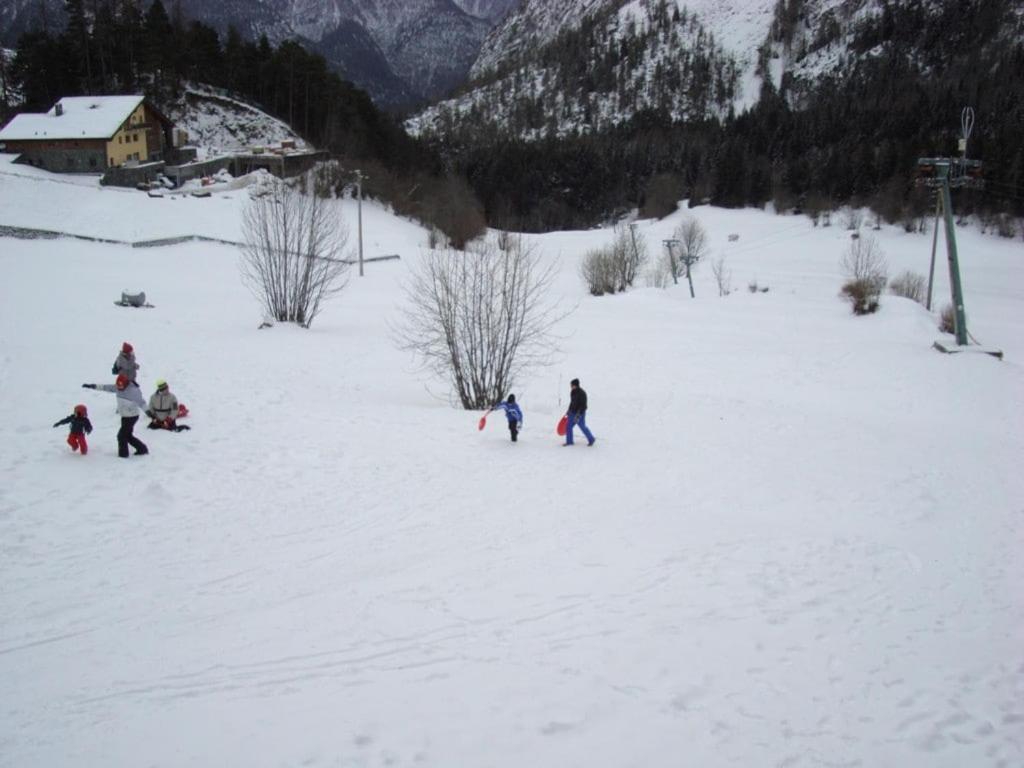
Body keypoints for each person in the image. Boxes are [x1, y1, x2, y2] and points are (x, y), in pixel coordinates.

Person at [82, 374, 149, 458]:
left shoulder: (133, 391)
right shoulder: (117, 387)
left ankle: (123, 455)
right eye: (118, 386)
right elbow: (105, 387)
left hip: (132, 416)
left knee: (121, 436)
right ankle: (142, 449)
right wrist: (92, 386)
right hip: (125, 416)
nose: (119, 388)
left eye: (121, 386)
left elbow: (141, 402)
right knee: (127, 435)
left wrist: (149, 412)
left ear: (125, 383)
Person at [564, 377, 595, 446]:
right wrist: (569, 410)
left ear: (575, 385)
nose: (571, 387)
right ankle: (569, 442)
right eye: (570, 385)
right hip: (572, 412)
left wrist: (578, 415)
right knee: (568, 426)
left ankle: (591, 439)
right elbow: (572, 402)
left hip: (580, 413)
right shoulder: (572, 392)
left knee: (582, 426)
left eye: (572, 385)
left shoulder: (582, 393)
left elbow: (583, 406)